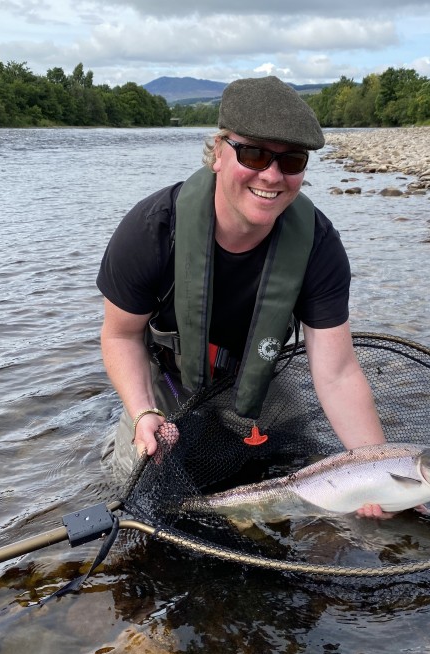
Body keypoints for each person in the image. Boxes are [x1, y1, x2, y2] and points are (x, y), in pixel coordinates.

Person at [97, 76, 386, 517]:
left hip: (257, 379)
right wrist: (142, 413)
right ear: (217, 153)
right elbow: (120, 337)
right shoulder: (152, 230)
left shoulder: (318, 245)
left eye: (291, 160)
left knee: (298, 457)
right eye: (253, 154)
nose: (271, 175)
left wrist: (378, 472)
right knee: (135, 483)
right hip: (171, 379)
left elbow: (338, 372)